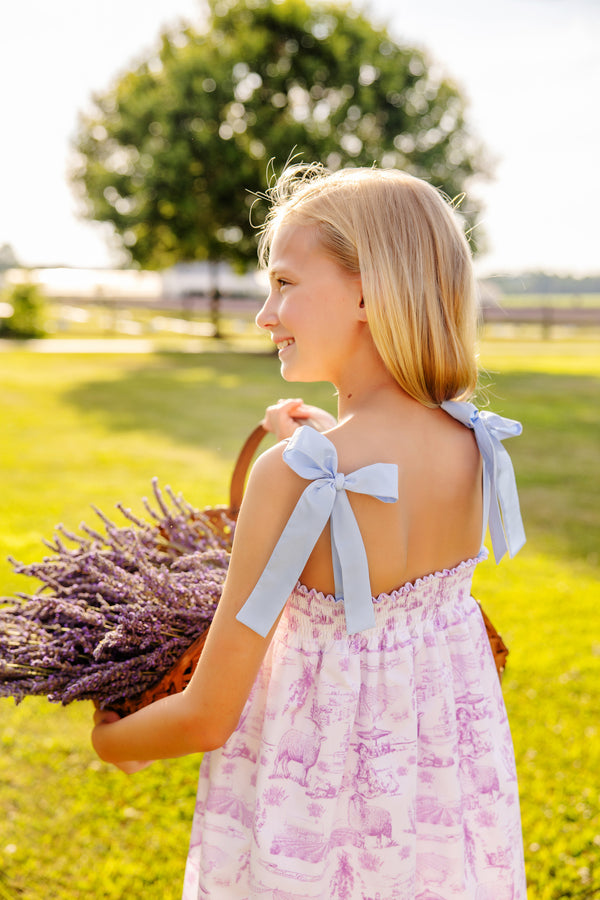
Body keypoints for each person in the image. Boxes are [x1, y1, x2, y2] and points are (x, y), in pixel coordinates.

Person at [92, 164, 527, 899]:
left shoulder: (292, 477)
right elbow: (383, 516)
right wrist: (325, 433)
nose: (265, 314)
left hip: (317, 814)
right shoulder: (473, 443)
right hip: (433, 805)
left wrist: (112, 741)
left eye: (285, 283)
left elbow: (207, 714)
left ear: (367, 291)